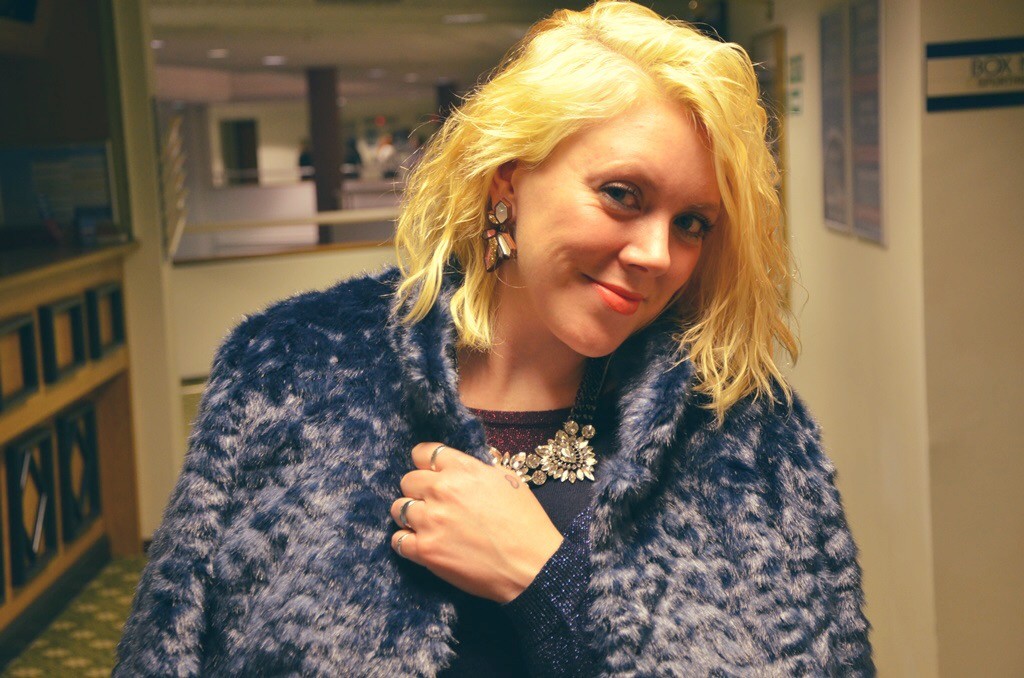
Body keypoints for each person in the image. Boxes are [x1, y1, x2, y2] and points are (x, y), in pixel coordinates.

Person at [116, 2, 874, 676]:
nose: (656, 253)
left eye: (692, 224)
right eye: (622, 195)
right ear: (508, 181)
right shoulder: (294, 371)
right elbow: (168, 649)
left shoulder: (741, 432)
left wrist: (544, 581)